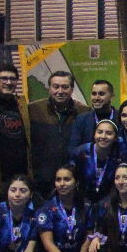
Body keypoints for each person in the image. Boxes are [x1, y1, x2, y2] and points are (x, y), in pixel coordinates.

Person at [28, 70, 88, 198]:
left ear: (72, 89)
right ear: (49, 88)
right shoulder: (33, 110)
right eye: (56, 86)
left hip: (73, 179)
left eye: (65, 87)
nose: (60, 91)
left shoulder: (84, 112)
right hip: (42, 182)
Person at [0, 64, 30, 204]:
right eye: (3, 78)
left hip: (22, 174)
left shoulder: (22, 105)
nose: (8, 82)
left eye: (13, 79)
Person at [70, 119, 124, 203]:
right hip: (82, 202)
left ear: (116, 138)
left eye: (109, 133)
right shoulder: (82, 152)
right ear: (94, 134)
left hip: (108, 203)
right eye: (100, 132)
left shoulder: (118, 156)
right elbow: (70, 176)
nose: (103, 136)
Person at [69, 79, 118, 154]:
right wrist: (91, 147)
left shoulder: (121, 118)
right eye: (94, 94)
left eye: (101, 94)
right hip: (88, 164)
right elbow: (73, 150)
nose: (96, 98)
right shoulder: (81, 120)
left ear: (112, 97)